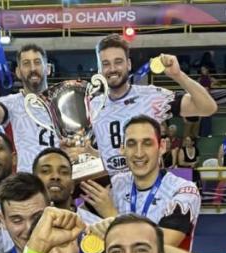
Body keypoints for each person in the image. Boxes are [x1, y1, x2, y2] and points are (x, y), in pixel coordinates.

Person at [92, 34, 217, 177]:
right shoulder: (92, 105)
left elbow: (208, 108)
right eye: (106, 64)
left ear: (129, 64)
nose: (112, 68)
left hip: (148, 187)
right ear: (99, 69)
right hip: (109, 188)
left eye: (118, 62)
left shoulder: (151, 97)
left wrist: (178, 75)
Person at [110, 115, 201, 249]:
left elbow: (161, 246)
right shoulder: (116, 184)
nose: (139, 153)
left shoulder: (183, 190)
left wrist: (110, 215)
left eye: (147, 143)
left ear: (162, 146)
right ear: (122, 149)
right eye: (131, 144)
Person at [0, 36, 56, 171]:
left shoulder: (64, 101)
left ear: (48, 69)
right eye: (26, 64)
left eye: (37, 62)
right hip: (26, 180)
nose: (32, 68)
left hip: (59, 178)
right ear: (18, 72)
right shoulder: (10, 104)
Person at [0, 173, 49, 253]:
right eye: (17, 221)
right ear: (3, 220)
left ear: (52, 212)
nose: (29, 228)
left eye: (37, 218)